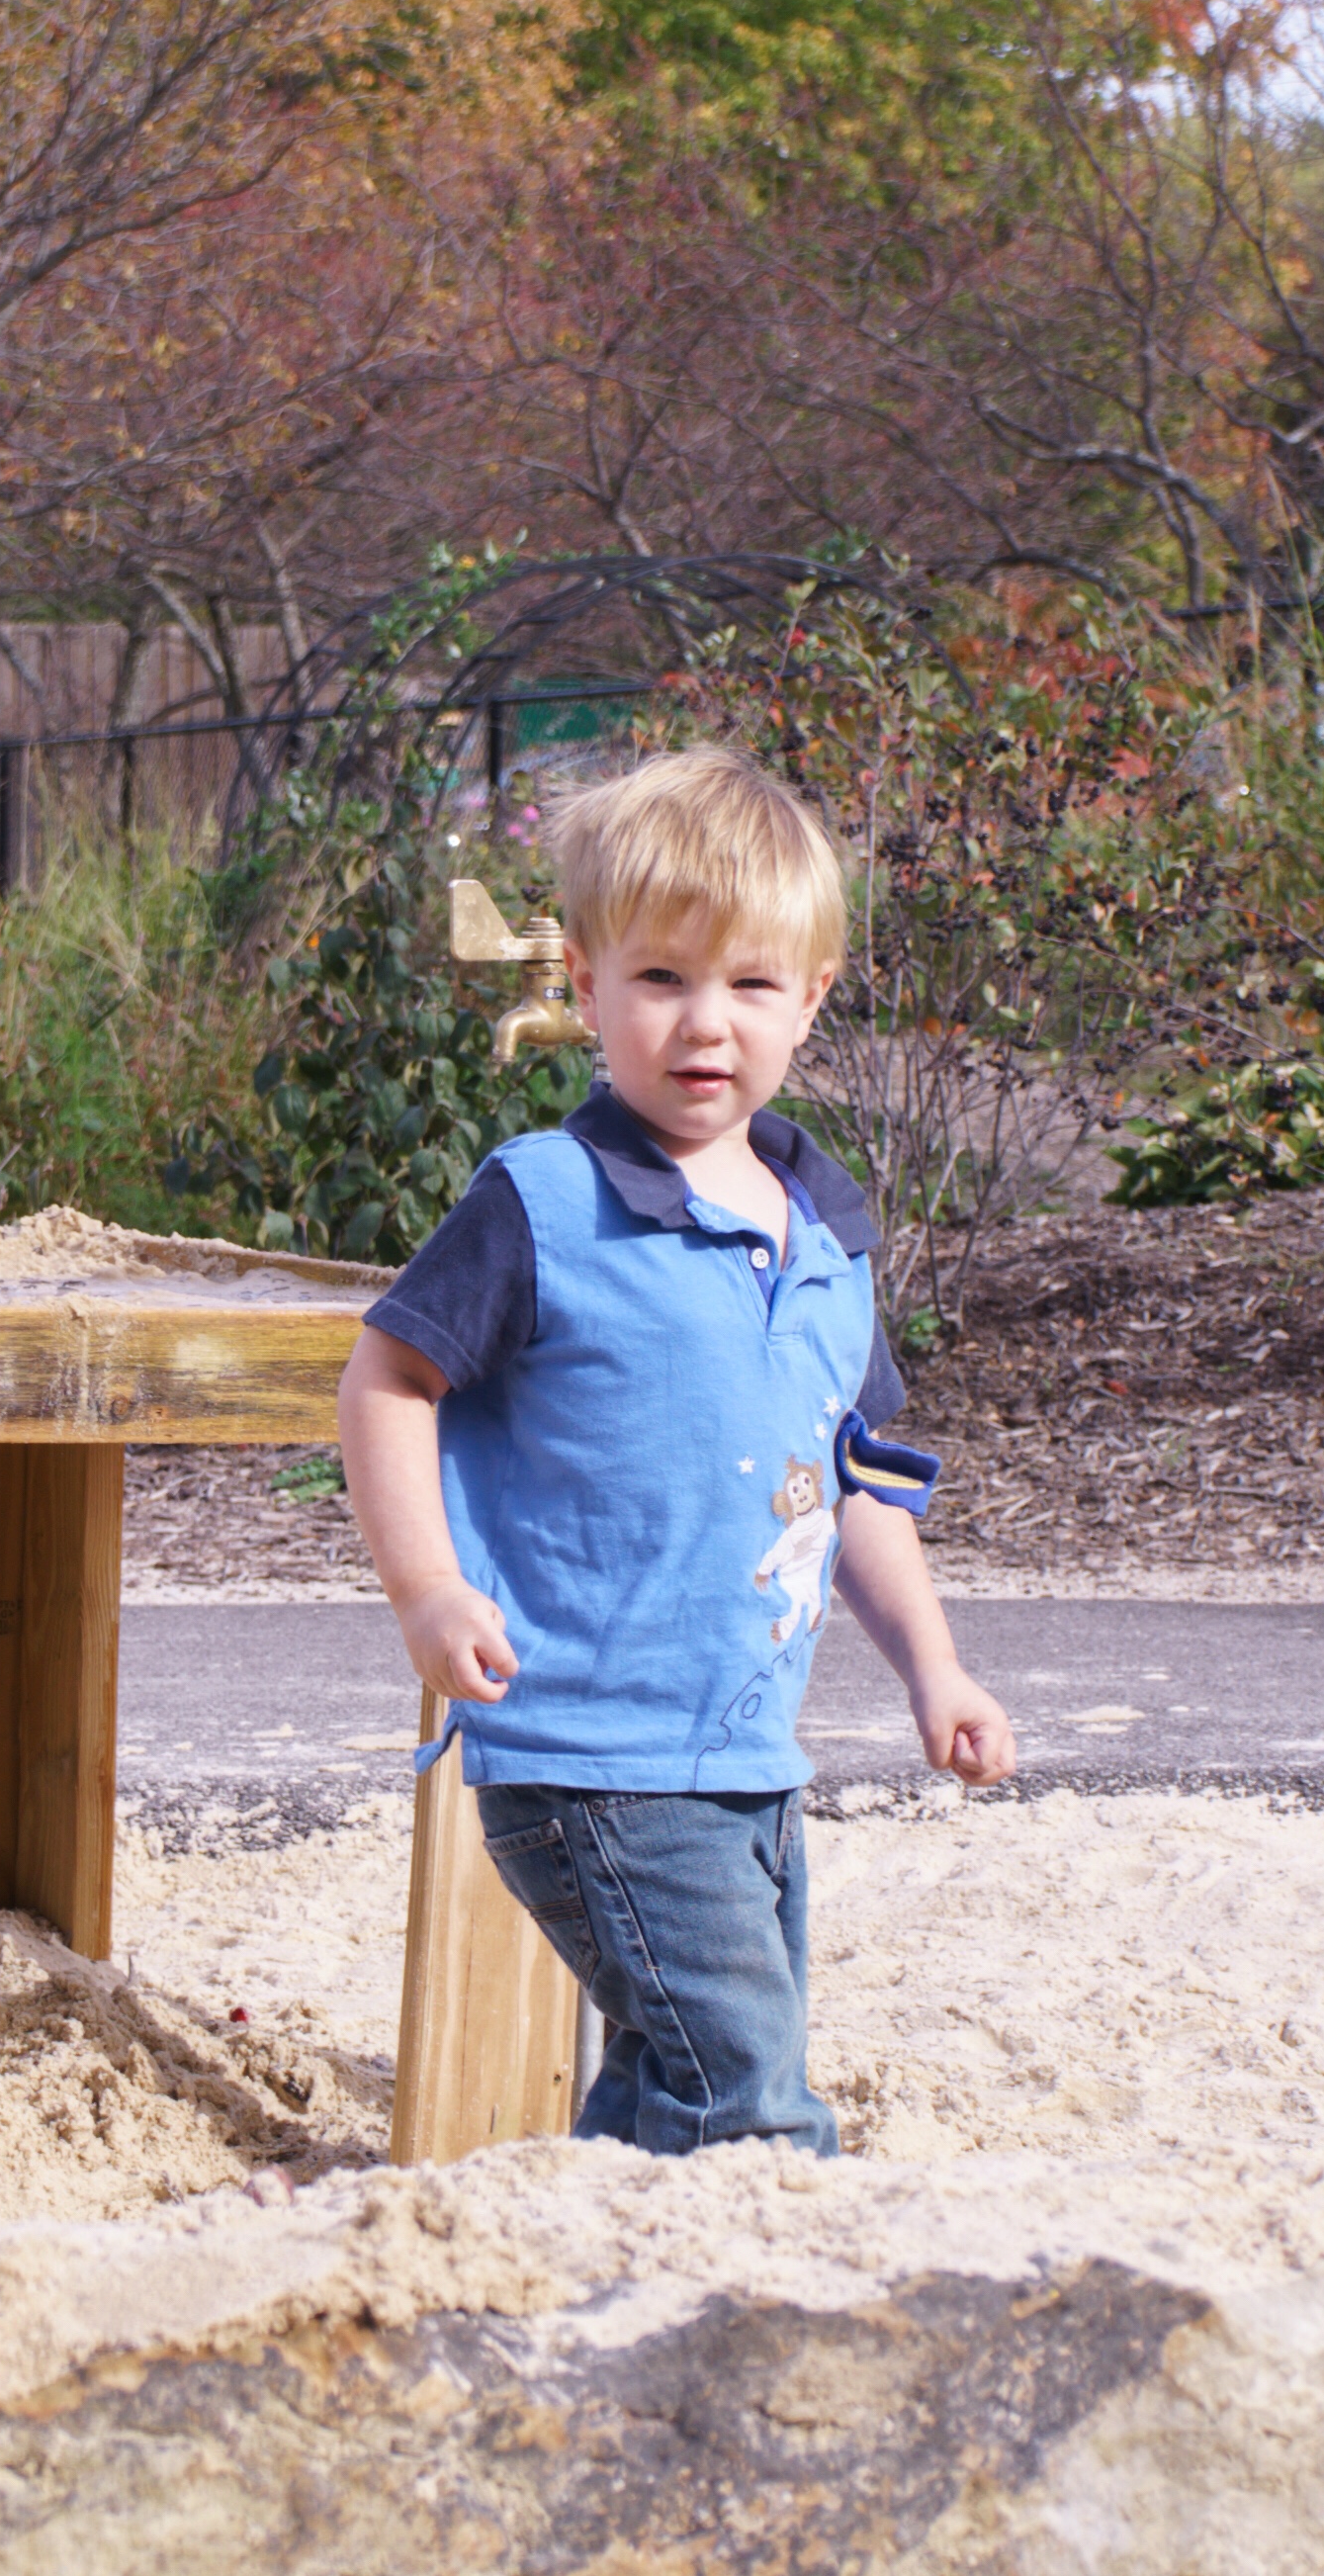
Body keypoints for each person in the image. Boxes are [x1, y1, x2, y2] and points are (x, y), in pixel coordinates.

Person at [334, 745, 1015, 2156]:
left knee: (672, 2082)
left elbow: (855, 1483)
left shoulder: (824, 1234)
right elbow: (387, 1377)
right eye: (660, 980)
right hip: (588, 1749)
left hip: (744, 1752)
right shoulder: (545, 1199)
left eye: (751, 985)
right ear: (583, 984)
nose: (705, 1025)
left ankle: (587, 2312)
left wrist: (933, 1668)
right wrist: (425, 1588)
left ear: (812, 999)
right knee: (747, 2097)